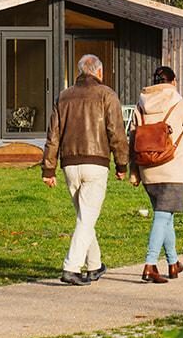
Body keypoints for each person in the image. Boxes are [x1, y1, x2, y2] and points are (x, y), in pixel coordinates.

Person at [41, 54, 129, 286]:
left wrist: (48, 169)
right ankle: (71, 267)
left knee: (85, 217)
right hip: (96, 162)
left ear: (80, 71)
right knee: (86, 219)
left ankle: (94, 265)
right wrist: (122, 164)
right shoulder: (106, 95)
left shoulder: (64, 96)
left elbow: (53, 135)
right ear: (99, 72)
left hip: (69, 164)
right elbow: (116, 133)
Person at [130, 65, 183, 283]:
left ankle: (173, 263)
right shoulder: (180, 104)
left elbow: (133, 139)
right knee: (162, 217)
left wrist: (134, 172)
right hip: (173, 169)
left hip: (147, 171)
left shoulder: (140, 106)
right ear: (173, 82)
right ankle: (150, 264)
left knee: (166, 218)